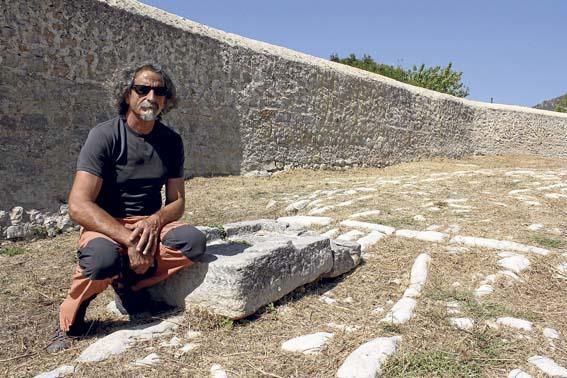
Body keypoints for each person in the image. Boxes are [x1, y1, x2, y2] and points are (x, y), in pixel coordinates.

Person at [47, 63, 207, 353]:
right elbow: (78, 204)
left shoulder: (171, 141)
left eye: (159, 91)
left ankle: (129, 285)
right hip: (106, 224)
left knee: (192, 242)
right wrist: (129, 239)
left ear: (166, 100)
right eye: (142, 88)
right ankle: (70, 319)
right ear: (126, 94)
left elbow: (177, 201)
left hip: (148, 222)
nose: (151, 96)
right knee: (102, 260)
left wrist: (155, 221)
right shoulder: (105, 136)